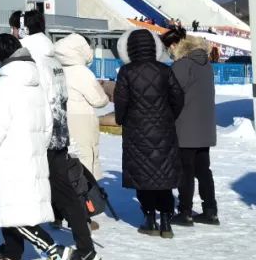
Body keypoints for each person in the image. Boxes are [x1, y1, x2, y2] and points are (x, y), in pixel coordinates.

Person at [0, 32, 73, 260]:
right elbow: (48, 123)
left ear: (0, 58)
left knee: (15, 216)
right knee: (9, 209)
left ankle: (52, 249)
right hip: (31, 154)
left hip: (9, 157)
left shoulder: (5, 85)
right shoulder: (35, 82)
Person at [16, 10, 99, 260]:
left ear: (22, 30)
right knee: (63, 191)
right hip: (58, 134)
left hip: (40, 135)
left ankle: (14, 251)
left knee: (19, 190)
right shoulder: (51, 55)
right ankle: (86, 248)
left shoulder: (30, 57)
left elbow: (36, 99)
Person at [114, 28, 185, 237]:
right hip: (164, 131)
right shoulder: (165, 70)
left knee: (143, 176)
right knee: (163, 176)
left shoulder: (127, 72)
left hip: (137, 133)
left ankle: (149, 219)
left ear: (130, 49)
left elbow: (121, 102)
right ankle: (166, 221)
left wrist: (122, 119)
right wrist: (170, 116)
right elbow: (178, 97)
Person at [170, 35, 219, 226]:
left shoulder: (183, 65)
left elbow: (171, 91)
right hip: (205, 127)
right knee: (203, 170)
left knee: (185, 171)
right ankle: (210, 210)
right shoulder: (206, 66)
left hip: (185, 127)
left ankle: (185, 212)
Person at [53, 34, 110, 182]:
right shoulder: (82, 72)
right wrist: (105, 93)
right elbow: (99, 100)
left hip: (62, 123)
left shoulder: (56, 69)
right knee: (85, 164)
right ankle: (88, 201)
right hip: (82, 124)